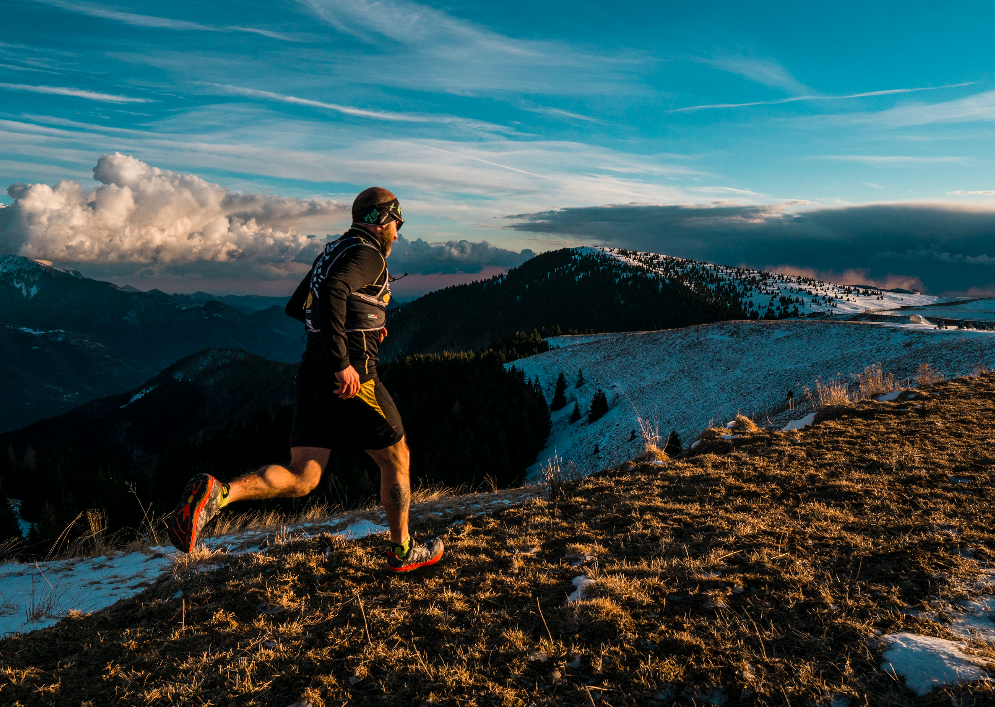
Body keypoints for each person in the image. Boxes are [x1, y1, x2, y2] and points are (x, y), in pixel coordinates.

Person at [167, 188, 444, 572]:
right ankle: (402, 551)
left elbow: (298, 305)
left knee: (303, 475)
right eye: (397, 224)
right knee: (397, 458)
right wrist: (342, 360)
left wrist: (366, 321)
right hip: (351, 378)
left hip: (311, 374)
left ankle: (220, 493)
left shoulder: (333, 251)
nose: (397, 234)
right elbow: (332, 292)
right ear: (381, 219)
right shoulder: (368, 254)